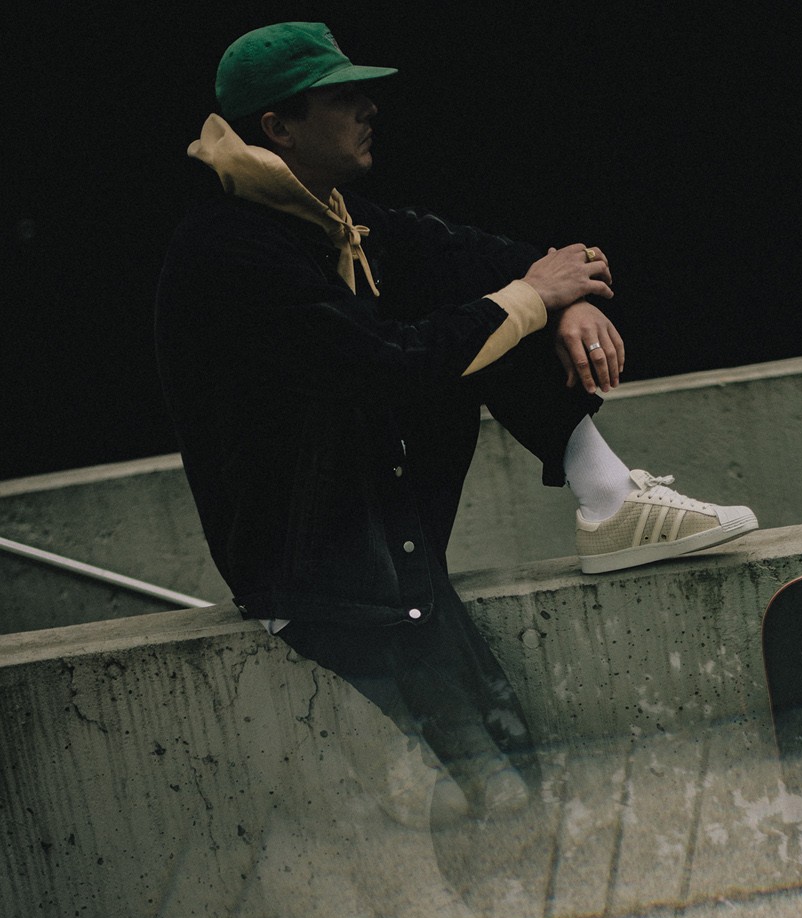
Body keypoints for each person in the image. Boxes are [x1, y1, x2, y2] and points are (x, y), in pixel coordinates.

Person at [155, 22, 758, 827]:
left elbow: (465, 255)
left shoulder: (328, 217)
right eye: (342, 97)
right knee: (483, 803)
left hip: (386, 548)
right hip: (315, 576)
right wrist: (534, 298)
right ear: (279, 127)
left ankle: (611, 500)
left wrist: (566, 298)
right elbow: (386, 366)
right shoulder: (231, 249)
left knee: (512, 791)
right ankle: (608, 499)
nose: (369, 108)